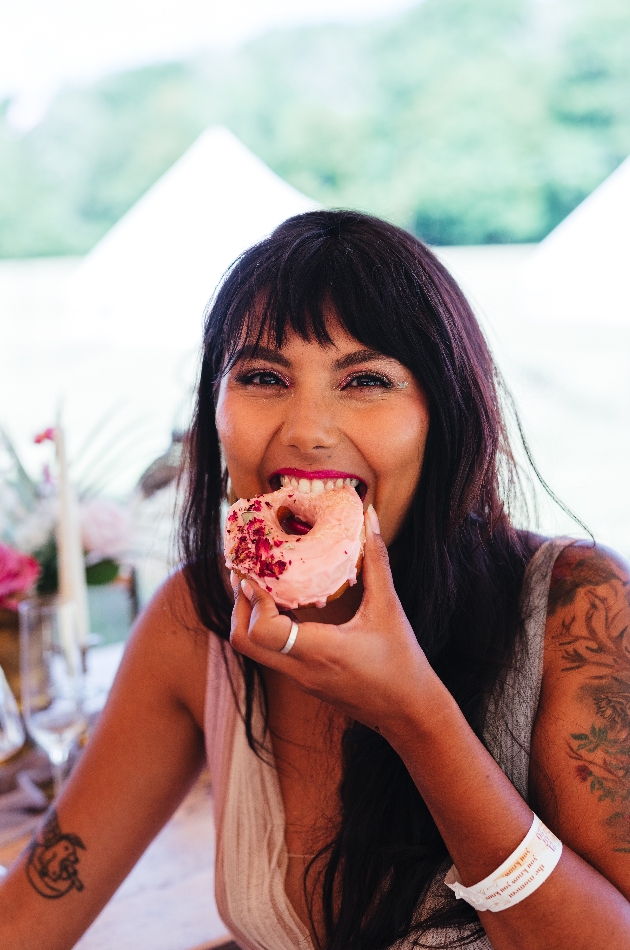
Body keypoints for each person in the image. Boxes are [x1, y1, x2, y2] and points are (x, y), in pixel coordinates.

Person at [2, 210, 630, 950]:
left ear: (445, 413)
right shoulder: (193, 619)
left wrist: (413, 715)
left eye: (365, 379)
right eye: (264, 376)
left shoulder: (577, 605)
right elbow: (31, 914)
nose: (307, 430)